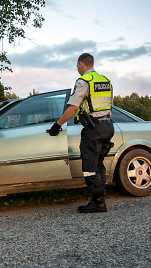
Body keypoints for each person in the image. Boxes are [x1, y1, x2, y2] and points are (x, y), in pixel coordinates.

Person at [47, 53, 114, 213]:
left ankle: (98, 202)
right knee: (98, 164)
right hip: (108, 126)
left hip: (94, 128)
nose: (77, 69)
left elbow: (73, 107)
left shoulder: (84, 81)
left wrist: (58, 125)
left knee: (89, 166)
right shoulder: (106, 80)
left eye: (77, 66)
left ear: (81, 64)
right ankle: (101, 198)